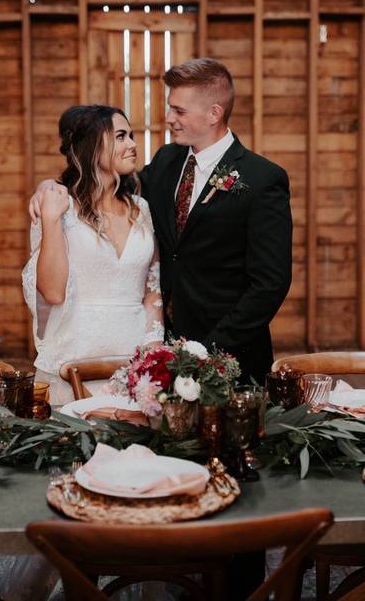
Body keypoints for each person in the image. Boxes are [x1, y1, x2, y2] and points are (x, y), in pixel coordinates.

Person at [30, 58, 293, 386]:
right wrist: (50, 187)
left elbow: (270, 284)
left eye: (179, 111)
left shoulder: (262, 178)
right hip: (160, 351)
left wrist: (210, 349)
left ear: (213, 113)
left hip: (230, 355)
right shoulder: (168, 161)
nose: (169, 118)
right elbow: (104, 184)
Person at [21, 104, 163, 406]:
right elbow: (53, 292)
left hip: (134, 366)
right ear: (91, 145)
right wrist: (50, 220)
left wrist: (154, 355)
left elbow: (152, 291)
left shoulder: (142, 209)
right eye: (121, 136)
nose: (133, 145)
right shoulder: (58, 207)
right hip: (73, 356)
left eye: (131, 136)